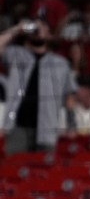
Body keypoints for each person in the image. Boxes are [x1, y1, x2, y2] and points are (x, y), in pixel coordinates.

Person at [0, 18, 77, 155]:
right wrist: (18, 29)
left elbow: (69, 96)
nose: (38, 31)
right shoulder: (16, 55)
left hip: (47, 129)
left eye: (42, 28)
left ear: (49, 34)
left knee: (45, 174)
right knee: (14, 170)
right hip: (18, 128)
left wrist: (72, 125)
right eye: (35, 28)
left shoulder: (61, 63)